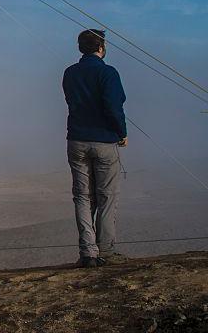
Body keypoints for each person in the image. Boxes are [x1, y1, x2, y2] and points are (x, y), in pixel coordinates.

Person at [62, 29, 129, 268]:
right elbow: (113, 106)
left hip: (76, 140)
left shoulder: (70, 73)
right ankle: (107, 250)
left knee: (83, 197)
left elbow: (71, 101)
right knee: (107, 196)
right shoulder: (108, 73)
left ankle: (88, 253)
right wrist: (122, 133)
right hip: (103, 141)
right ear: (101, 47)